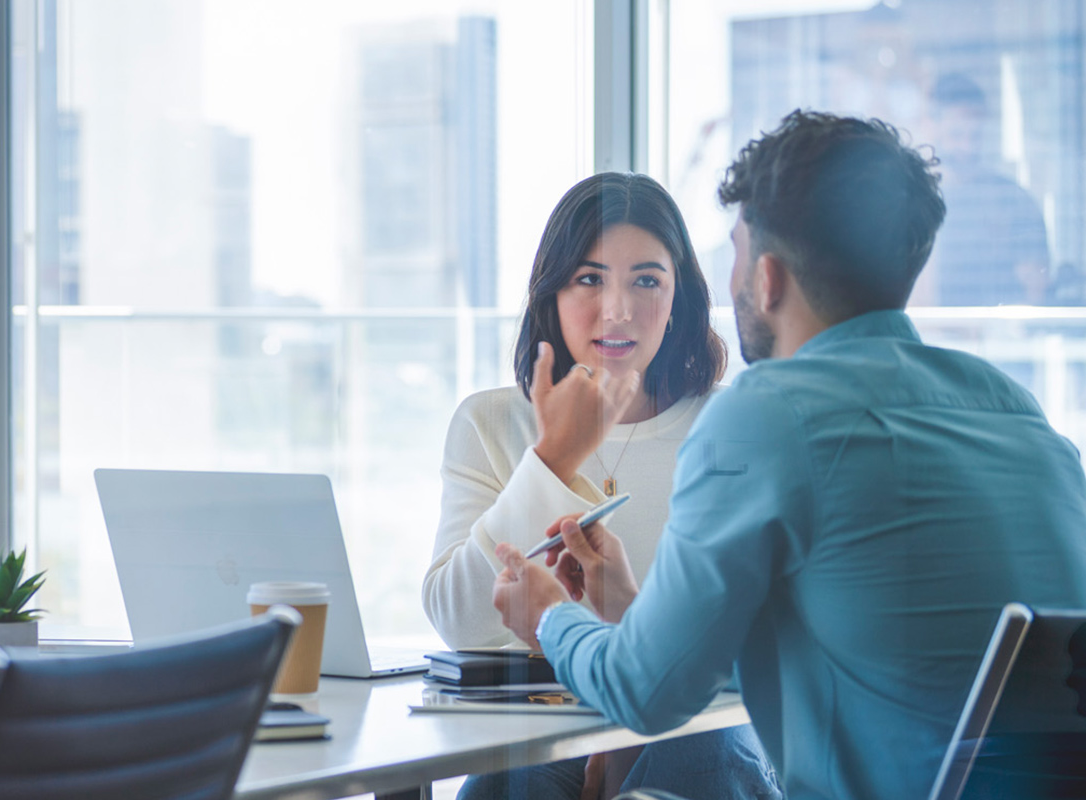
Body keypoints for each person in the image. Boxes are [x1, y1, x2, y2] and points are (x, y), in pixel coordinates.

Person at [492, 110, 1086, 800]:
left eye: (738, 252)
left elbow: (642, 696)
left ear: (768, 278)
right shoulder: (1017, 413)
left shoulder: (766, 413)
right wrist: (633, 612)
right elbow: (892, 672)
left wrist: (548, 617)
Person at [424, 172, 778, 799]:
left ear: (680, 302)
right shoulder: (489, 422)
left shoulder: (734, 424)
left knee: (695, 750)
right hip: (544, 729)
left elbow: (757, 649)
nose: (617, 309)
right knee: (515, 778)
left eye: (647, 280)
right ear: (551, 295)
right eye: (589, 279)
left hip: (703, 729)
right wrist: (554, 460)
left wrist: (625, 743)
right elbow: (463, 623)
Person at [917, 72, 1052, 306]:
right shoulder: (910, 202)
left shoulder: (1014, 202)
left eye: (976, 136)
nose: (968, 147)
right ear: (932, 127)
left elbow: (1036, 293)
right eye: (956, 135)